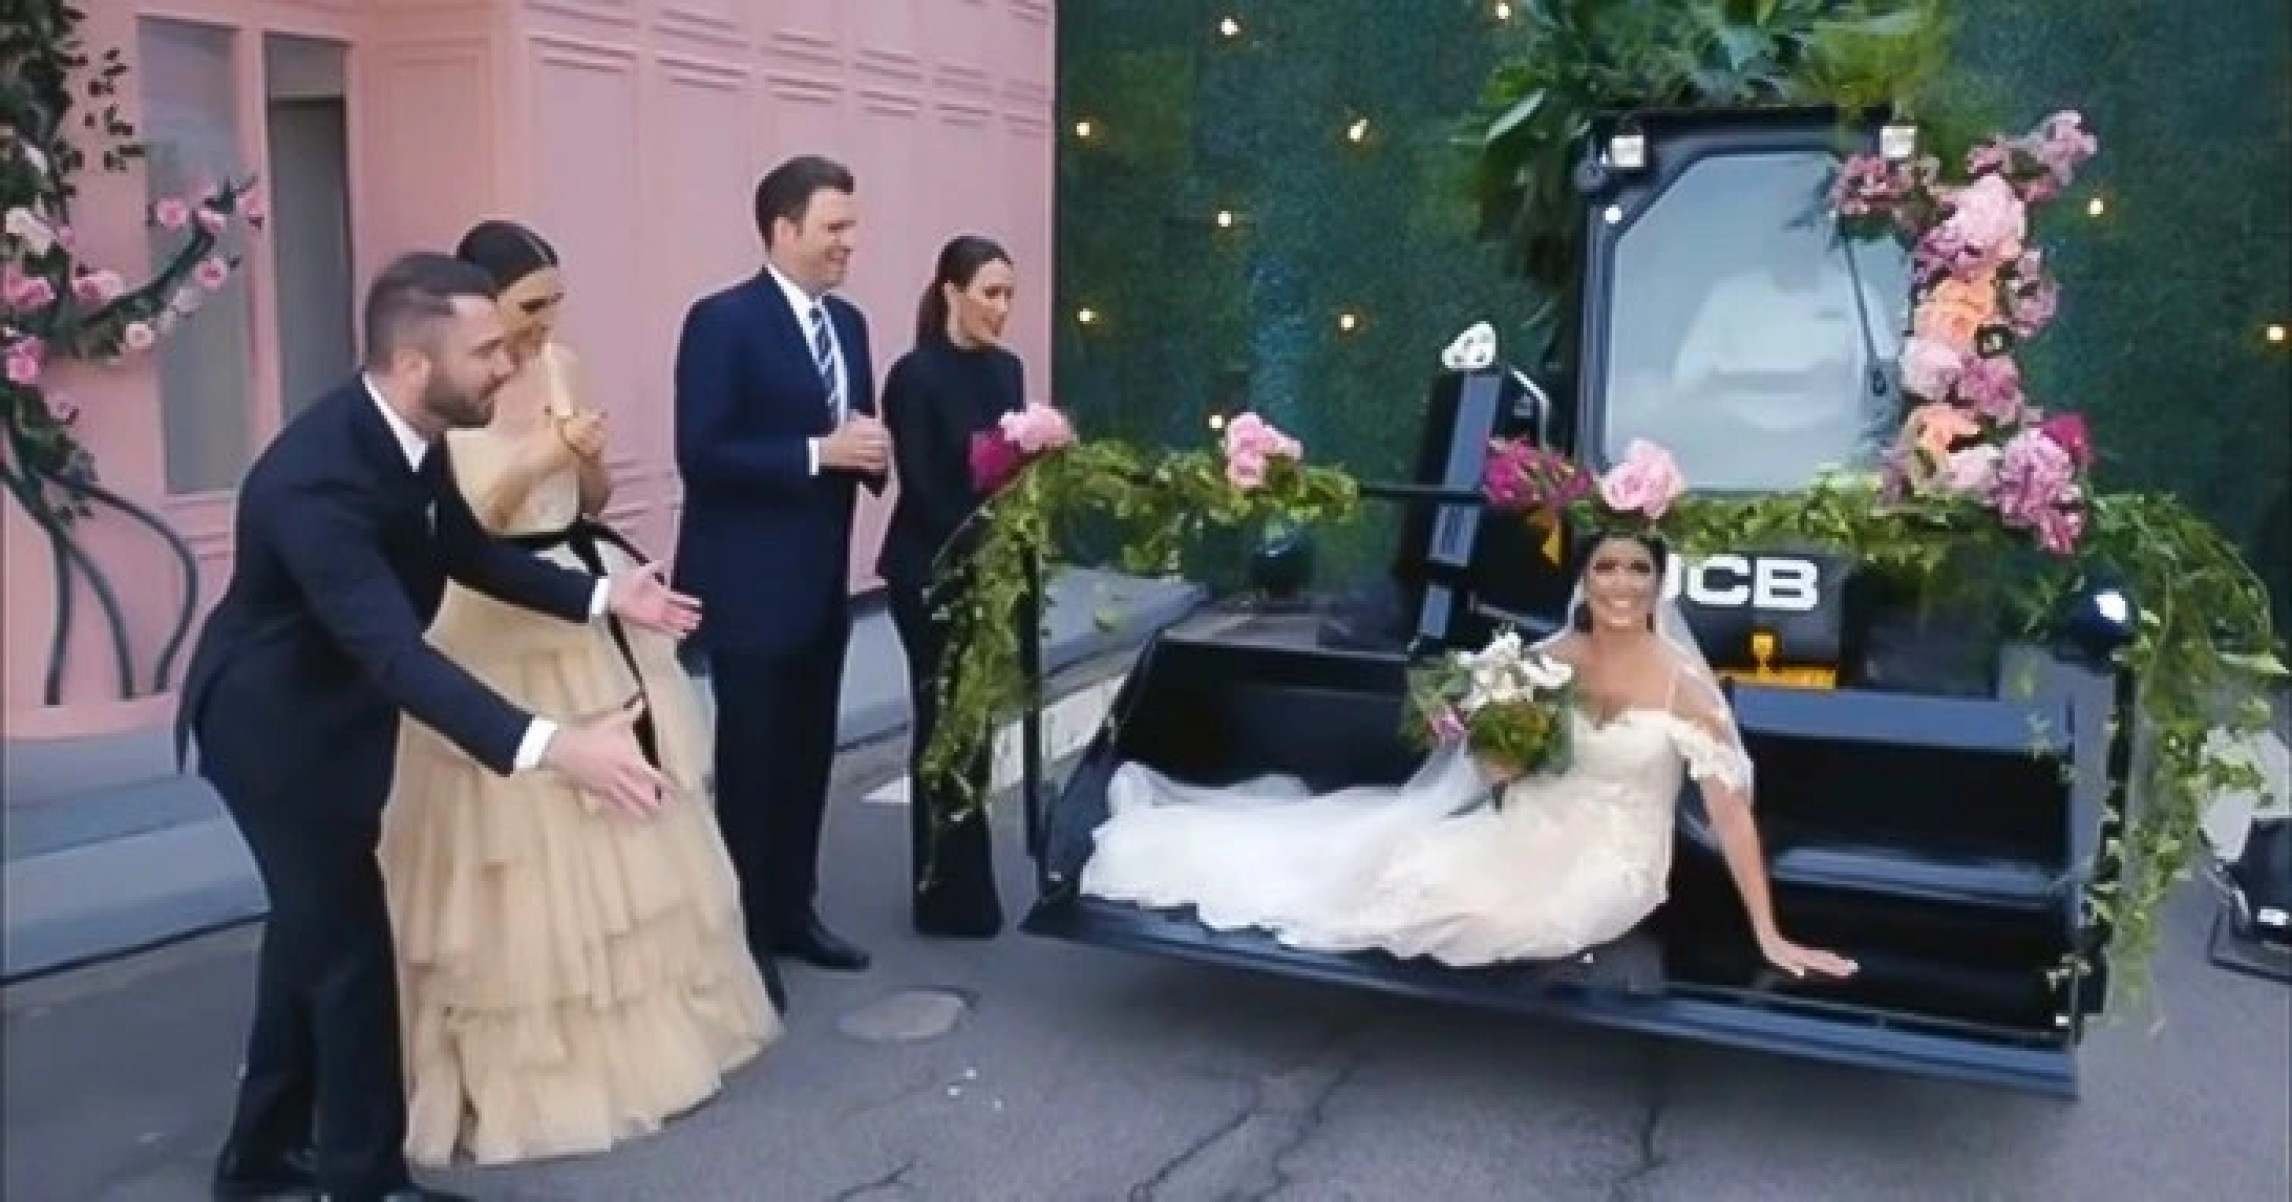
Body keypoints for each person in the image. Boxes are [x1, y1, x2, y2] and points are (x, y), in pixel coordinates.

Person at [178, 252, 700, 1202]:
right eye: (488, 350)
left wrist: (602, 594)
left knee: (307, 936)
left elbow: (463, 552)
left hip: (335, 713)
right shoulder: (314, 484)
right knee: (347, 954)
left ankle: (257, 1160)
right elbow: (398, 657)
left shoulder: (412, 437)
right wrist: (556, 746)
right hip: (276, 734)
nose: (509, 365)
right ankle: (364, 1178)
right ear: (416, 367)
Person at [377, 222, 780, 1170]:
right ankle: (516, 1065)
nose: (541, 326)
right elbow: (467, 526)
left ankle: (650, 1036)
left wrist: (584, 457)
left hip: (571, 596)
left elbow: (590, 502)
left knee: (628, 827)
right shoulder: (454, 387)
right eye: (526, 309)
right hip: (487, 613)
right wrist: (542, 455)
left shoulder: (563, 363)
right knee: (506, 842)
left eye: (552, 305)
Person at [1081, 531, 1858, 979]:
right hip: (1524, 826)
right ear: (1585, 582)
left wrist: (1769, 933)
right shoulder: (1548, 655)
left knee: (1474, 918)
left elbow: (1730, 812)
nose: (1621, 584)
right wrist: (1499, 744)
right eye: (1605, 568)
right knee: (1399, 876)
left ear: (1659, 584)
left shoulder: (1686, 685)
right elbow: (1495, 772)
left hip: (1610, 861)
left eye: (1638, 570)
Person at [673, 155, 887, 996]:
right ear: (783, 228)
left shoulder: (853, 325)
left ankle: (795, 912)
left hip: (821, 585)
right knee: (754, 764)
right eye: (834, 227)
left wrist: (869, 454)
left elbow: (850, 428)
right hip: (749, 586)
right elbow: (704, 452)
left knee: (807, 758)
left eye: (851, 228)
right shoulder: (722, 322)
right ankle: (742, 935)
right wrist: (817, 452)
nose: (848, 244)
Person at [875, 235, 1024, 937]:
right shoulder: (914, 377)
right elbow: (928, 485)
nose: (1001, 308)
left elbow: (1015, 472)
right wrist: (984, 540)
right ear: (951, 293)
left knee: (979, 722)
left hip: (989, 566)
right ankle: (940, 889)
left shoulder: (1008, 371)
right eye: (990, 292)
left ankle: (974, 879)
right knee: (942, 721)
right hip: (927, 569)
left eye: (1009, 294)